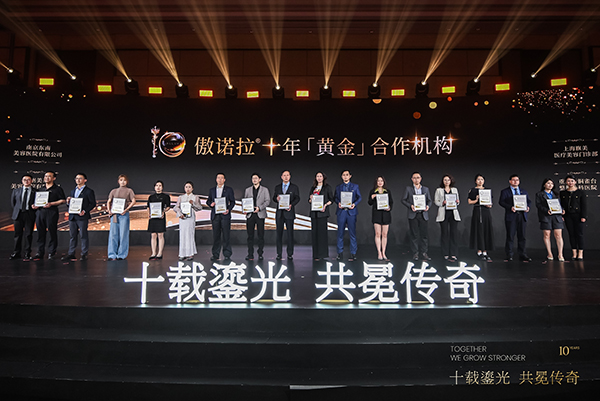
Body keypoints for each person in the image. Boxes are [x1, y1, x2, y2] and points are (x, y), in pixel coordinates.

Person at [32, 171, 66, 260]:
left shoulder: (57, 189)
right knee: (40, 233)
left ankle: (51, 252)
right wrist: (35, 205)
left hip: (51, 212)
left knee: (52, 232)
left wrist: (51, 204)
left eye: (49, 176)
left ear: (54, 178)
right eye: (45, 176)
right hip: (40, 212)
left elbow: (63, 200)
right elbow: (36, 201)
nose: (46, 178)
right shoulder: (40, 189)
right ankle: (40, 252)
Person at [62, 173, 96, 261]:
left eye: (80, 178)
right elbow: (71, 204)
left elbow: (93, 203)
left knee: (83, 235)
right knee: (72, 236)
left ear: (85, 180)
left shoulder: (89, 191)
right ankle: (71, 253)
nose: (78, 180)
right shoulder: (73, 191)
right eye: (76, 178)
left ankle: (84, 254)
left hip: (82, 217)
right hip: (72, 216)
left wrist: (84, 211)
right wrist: (68, 202)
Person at [498, 174, 531, 262]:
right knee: (510, 236)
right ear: (510, 181)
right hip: (511, 216)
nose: (515, 181)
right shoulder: (505, 191)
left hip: (522, 216)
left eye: (517, 180)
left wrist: (528, 207)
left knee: (522, 236)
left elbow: (529, 201)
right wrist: (510, 207)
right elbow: (501, 202)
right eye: (513, 180)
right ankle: (509, 254)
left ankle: (522, 254)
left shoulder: (523, 191)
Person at [401, 172, 432, 261]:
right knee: (414, 235)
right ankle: (415, 253)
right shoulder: (408, 189)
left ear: (421, 179)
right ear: (412, 179)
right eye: (414, 178)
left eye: (418, 177)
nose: (416, 179)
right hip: (413, 214)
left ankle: (424, 253)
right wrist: (410, 206)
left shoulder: (425, 189)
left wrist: (428, 206)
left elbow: (429, 200)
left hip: (423, 214)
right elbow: (403, 200)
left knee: (424, 235)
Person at [107, 174, 136, 260]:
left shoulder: (129, 191)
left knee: (123, 235)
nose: (123, 182)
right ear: (118, 181)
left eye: (124, 180)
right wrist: (109, 210)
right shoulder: (114, 191)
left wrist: (126, 209)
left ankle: (122, 254)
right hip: (114, 215)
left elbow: (133, 201)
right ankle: (112, 254)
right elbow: (109, 201)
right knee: (113, 235)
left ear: (127, 182)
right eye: (121, 180)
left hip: (123, 215)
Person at [207, 173, 236, 261]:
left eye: (221, 178)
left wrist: (228, 209)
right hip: (215, 216)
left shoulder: (229, 190)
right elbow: (208, 201)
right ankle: (215, 254)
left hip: (225, 215)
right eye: (218, 178)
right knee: (216, 236)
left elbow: (233, 202)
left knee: (226, 235)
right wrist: (211, 204)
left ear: (224, 180)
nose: (219, 179)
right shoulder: (212, 190)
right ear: (216, 179)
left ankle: (227, 254)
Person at [273, 170, 300, 260]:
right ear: (281, 177)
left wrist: (291, 205)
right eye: (284, 175)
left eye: (287, 175)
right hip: (279, 214)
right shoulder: (277, 187)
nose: (286, 177)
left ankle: (290, 254)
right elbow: (274, 198)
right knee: (279, 235)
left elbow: (297, 198)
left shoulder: (294, 187)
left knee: (290, 234)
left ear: (290, 176)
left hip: (289, 213)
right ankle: (279, 254)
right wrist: (276, 198)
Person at [334, 170, 362, 261]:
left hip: (351, 212)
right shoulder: (338, 187)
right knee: (340, 233)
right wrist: (338, 203)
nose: (345, 176)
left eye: (347, 175)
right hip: (341, 212)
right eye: (343, 175)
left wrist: (354, 204)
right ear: (341, 176)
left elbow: (359, 197)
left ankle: (353, 253)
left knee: (352, 233)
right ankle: (339, 253)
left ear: (350, 176)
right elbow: (335, 197)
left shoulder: (355, 186)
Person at [535, 178, 565, 262]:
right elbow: (538, 205)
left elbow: (560, 204)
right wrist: (546, 210)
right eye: (548, 183)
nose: (550, 185)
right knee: (547, 235)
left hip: (557, 216)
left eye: (551, 183)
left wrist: (562, 210)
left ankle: (560, 254)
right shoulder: (539, 194)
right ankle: (549, 253)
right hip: (546, 216)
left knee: (558, 235)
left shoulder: (556, 194)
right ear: (544, 184)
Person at [244, 173, 271, 261]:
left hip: (260, 214)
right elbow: (245, 201)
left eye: (256, 178)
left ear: (260, 179)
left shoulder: (265, 190)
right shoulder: (248, 190)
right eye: (253, 178)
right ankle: (250, 254)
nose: (254, 180)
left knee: (261, 236)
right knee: (250, 236)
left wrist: (259, 208)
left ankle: (260, 254)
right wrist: (245, 209)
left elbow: (267, 201)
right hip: (250, 215)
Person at [560, 174, 587, 261]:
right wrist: (562, 214)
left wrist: (583, 216)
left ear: (575, 182)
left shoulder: (580, 192)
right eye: (568, 181)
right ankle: (574, 253)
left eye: (572, 181)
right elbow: (561, 205)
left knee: (579, 234)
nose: (570, 182)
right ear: (565, 182)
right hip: (568, 216)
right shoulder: (563, 193)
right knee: (571, 234)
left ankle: (580, 253)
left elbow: (584, 205)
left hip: (578, 215)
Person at [434, 174, 461, 261]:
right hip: (443, 213)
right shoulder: (439, 190)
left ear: (451, 181)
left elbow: (458, 201)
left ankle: (453, 254)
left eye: (448, 180)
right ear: (442, 181)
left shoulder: (454, 190)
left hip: (453, 213)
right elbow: (436, 201)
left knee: (454, 234)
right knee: (444, 234)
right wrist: (442, 202)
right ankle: (445, 253)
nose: (446, 181)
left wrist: (457, 202)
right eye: (445, 180)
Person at [308, 171, 334, 261]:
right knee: (314, 234)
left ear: (323, 177)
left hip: (322, 213)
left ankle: (322, 254)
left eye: (320, 176)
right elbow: (309, 201)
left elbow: (331, 200)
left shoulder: (327, 187)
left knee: (322, 234)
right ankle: (315, 254)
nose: (319, 178)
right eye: (317, 176)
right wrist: (311, 198)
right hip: (314, 213)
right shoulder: (313, 188)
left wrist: (325, 205)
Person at [467, 174, 494, 261]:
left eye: (482, 179)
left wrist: (488, 204)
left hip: (486, 211)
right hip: (477, 210)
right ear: (475, 181)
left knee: (486, 230)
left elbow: (490, 204)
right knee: (478, 230)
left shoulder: (487, 190)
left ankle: (485, 251)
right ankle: (479, 251)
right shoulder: (473, 190)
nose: (480, 181)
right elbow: (469, 202)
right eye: (478, 179)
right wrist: (476, 200)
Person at [10, 174, 37, 260]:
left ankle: (27, 253)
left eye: (28, 179)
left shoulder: (35, 191)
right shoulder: (16, 191)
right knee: (17, 235)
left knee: (28, 235)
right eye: (24, 179)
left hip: (29, 214)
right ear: (22, 181)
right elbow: (13, 203)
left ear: (32, 181)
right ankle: (16, 253)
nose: (26, 181)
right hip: (18, 214)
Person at [173, 181, 201, 261]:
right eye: (186, 187)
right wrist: (180, 213)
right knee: (182, 235)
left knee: (190, 235)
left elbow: (199, 208)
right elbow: (176, 207)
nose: (188, 188)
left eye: (189, 187)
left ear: (192, 188)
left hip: (190, 218)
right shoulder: (181, 197)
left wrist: (193, 204)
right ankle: (182, 254)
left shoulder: (195, 197)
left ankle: (190, 254)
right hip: (183, 218)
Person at [367, 176, 393, 261]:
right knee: (378, 234)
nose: (380, 182)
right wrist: (372, 197)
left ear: (384, 182)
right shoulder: (373, 191)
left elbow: (391, 202)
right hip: (377, 214)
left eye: (381, 181)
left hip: (386, 214)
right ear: (376, 182)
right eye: (378, 181)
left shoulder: (387, 191)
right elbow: (369, 203)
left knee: (384, 234)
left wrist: (389, 207)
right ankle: (379, 252)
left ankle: (384, 252)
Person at [147, 180, 171, 260]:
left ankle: (160, 253)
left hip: (161, 217)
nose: (158, 187)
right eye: (156, 185)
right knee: (153, 235)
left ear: (162, 187)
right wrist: (149, 214)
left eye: (160, 185)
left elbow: (168, 207)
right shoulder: (151, 197)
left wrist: (163, 212)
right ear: (154, 187)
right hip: (153, 217)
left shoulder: (166, 196)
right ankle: (153, 253)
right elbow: (148, 207)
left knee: (160, 235)